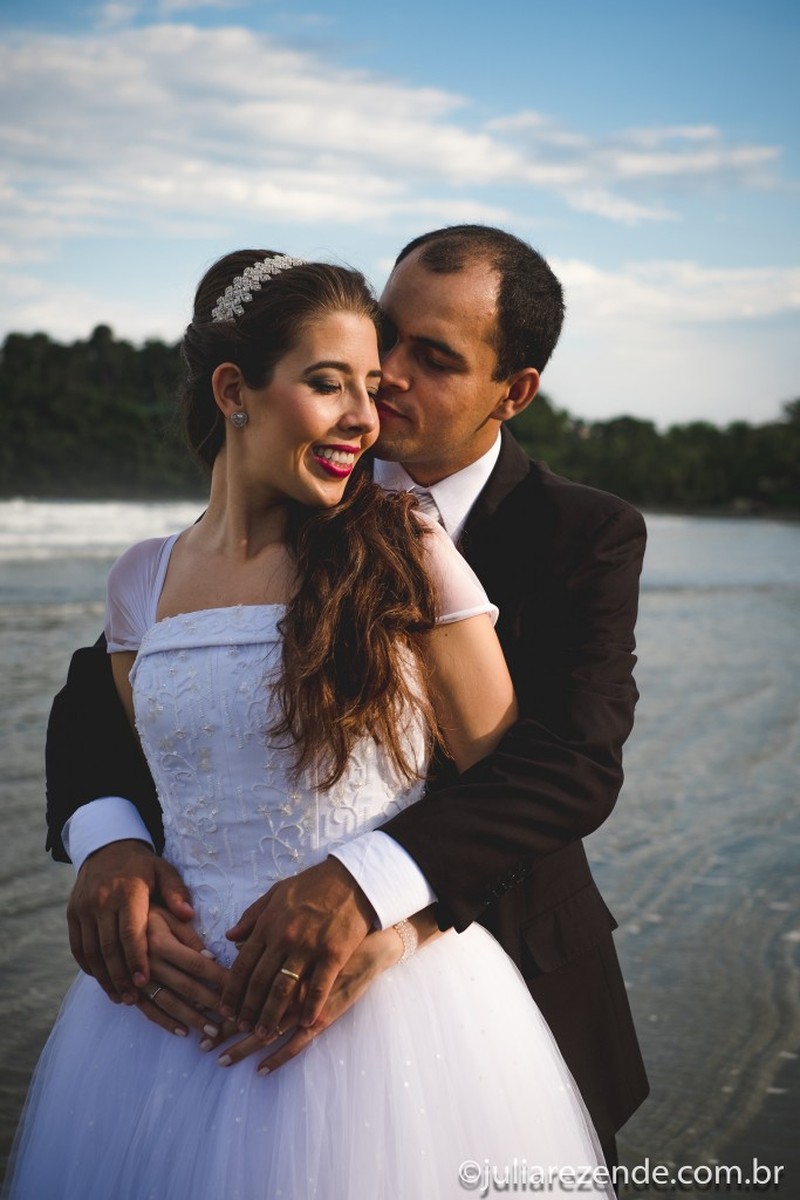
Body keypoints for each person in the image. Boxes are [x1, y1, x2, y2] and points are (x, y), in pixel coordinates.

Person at [6, 250, 614, 1199]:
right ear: (235, 390)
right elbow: (110, 717)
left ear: (513, 390)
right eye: (371, 358)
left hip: (425, 996)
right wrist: (110, 847)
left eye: (428, 360)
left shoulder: (541, 536)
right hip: (174, 1007)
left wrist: (378, 899)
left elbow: (552, 766)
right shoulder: (153, 573)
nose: (388, 391)